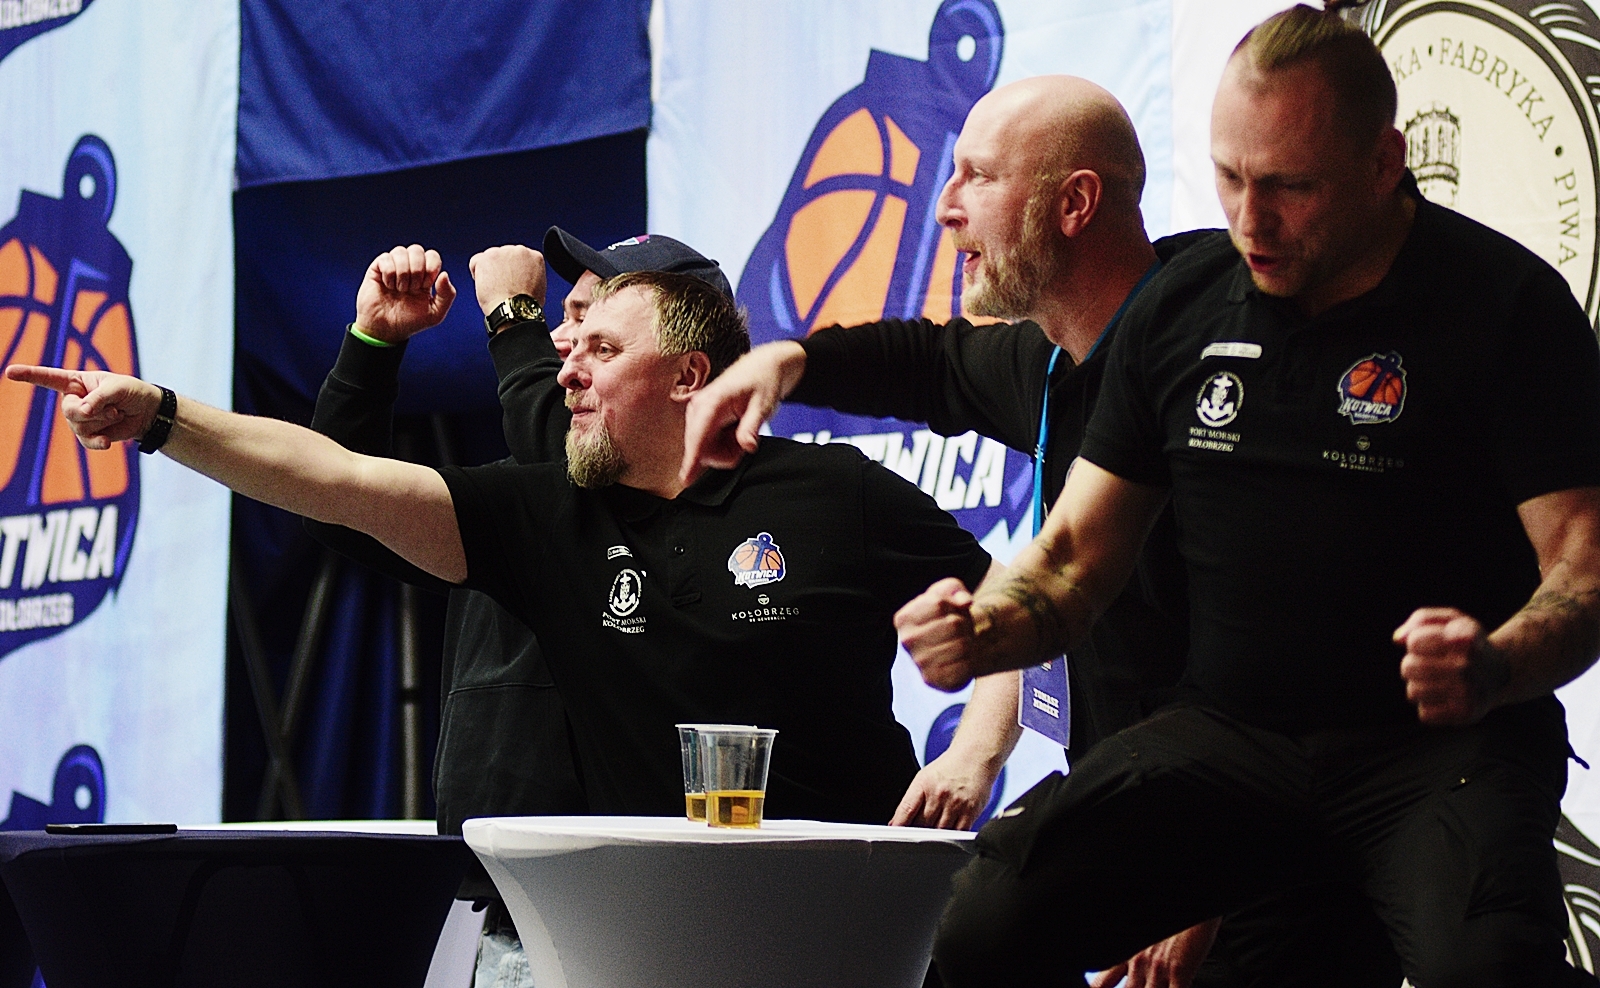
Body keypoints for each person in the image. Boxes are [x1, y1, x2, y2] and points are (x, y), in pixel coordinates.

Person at [893, 8, 1600, 987]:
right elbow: (1071, 560)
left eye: (1289, 187)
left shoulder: (1506, 306)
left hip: (1441, 748)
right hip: (1234, 737)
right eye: (1229, 178)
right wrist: (984, 630)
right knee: (984, 923)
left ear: (1384, 161)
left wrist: (1497, 661)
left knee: (1484, 966)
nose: (1250, 220)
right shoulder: (1182, 307)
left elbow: (1582, 569)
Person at [684, 74, 1397, 988]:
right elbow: (931, 364)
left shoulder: (1220, 362)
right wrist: (789, 362)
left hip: (1272, 848)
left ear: (1075, 204)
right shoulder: (1055, 360)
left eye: (977, 176)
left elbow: (1294, 636)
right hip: (1153, 808)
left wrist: (1211, 871)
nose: (944, 206)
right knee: (973, 932)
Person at [6, 264, 993, 820]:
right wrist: (160, 416)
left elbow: (1023, 609)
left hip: (856, 907)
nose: (566, 370)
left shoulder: (837, 491)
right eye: (569, 345)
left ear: (690, 376)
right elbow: (334, 477)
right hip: (658, 928)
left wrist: (974, 759)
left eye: (601, 349)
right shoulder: (544, 514)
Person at [302, 229, 737, 982]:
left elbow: (583, 496)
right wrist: (373, 343)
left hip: (645, 913)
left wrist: (511, 317)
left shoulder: (715, 507)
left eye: (597, 332)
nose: (562, 346)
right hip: (493, 910)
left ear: (683, 370)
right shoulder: (513, 500)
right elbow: (341, 503)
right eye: (563, 318)